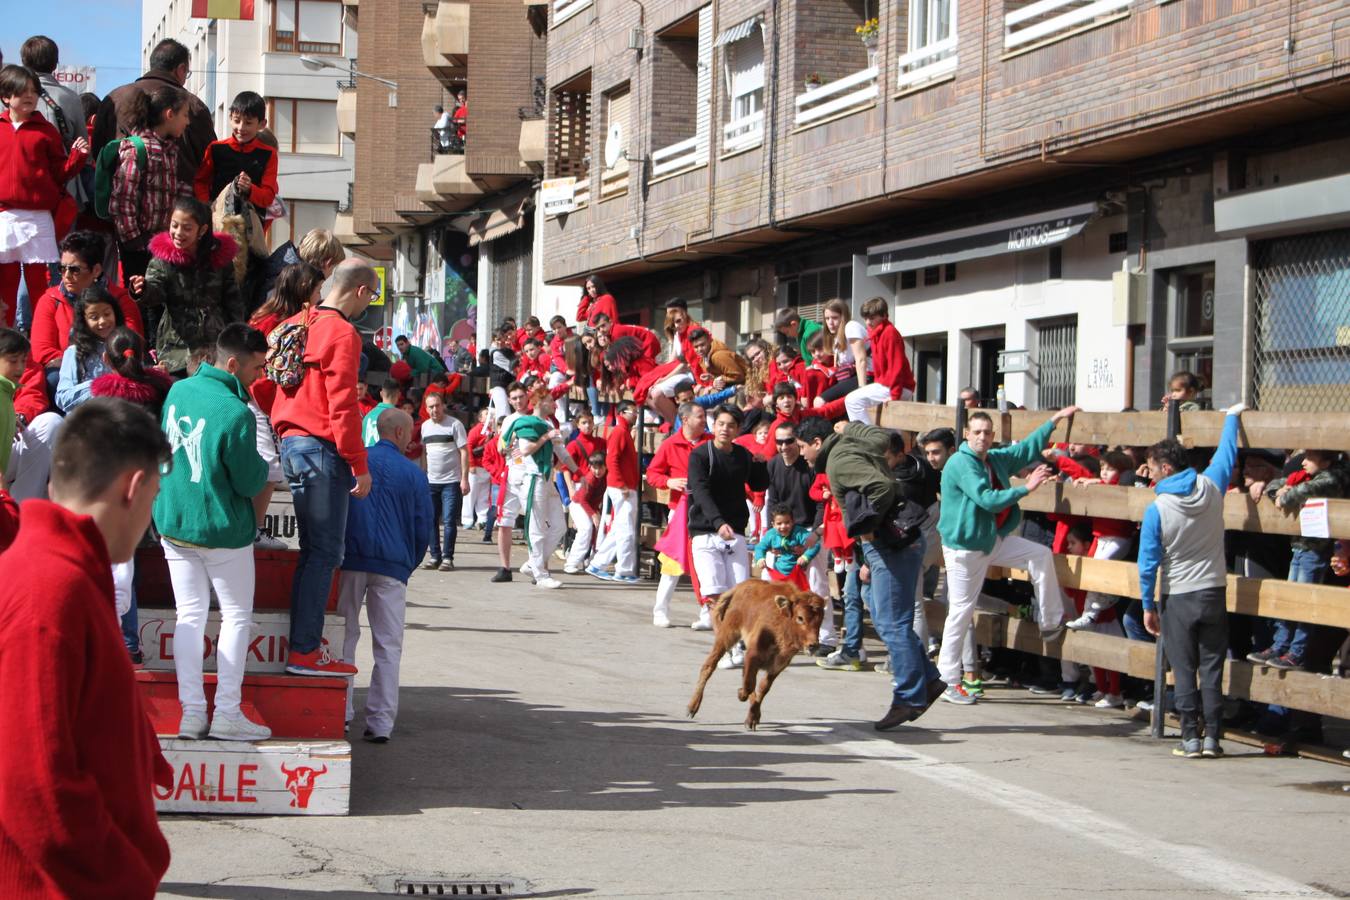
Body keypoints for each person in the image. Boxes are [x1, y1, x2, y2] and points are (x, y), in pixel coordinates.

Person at [0, 398, 172, 898]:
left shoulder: (67, 575)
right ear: (135, 487)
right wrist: (126, 878)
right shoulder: (50, 592)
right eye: (155, 494)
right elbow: (32, 787)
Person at [154, 324, 272, 741]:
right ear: (234, 364)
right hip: (222, 528)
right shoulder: (236, 412)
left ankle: (191, 713)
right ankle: (226, 712)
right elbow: (248, 481)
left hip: (174, 520)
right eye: (257, 368)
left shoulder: (179, 390)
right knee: (236, 617)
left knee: (189, 617)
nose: (260, 376)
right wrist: (261, 465)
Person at [270, 258, 381, 676]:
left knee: (314, 552)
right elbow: (343, 404)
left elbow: (270, 383)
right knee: (324, 553)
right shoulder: (343, 333)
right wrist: (359, 463)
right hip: (321, 449)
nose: (367, 305)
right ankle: (304, 651)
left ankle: (304, 647)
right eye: (370, 297)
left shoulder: (301, 320)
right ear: (360, 291)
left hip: (292, 443)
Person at [936, 406, 1081, 704]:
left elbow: (1025, 449)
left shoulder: (994, 458)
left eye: (987, 433)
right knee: (960, 612)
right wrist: (1027, 487)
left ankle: (1050, 621)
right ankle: (947, 679)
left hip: (989, 541)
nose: (983, 438)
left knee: (1039, 555)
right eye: (977, 432)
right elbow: (987, 500)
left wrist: (1053, 422)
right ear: (966, 435)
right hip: (965, 548)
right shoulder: (962, 463)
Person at [1137, 402, 1245, 759]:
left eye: (1152, 469)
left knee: (1184, 669)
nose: (1150, 475)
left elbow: (1148, 564)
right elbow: (1227, 453)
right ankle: (1213, 737)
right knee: (1212, 669)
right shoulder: (1211, 486)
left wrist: (1148, 605)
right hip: (1213, 590)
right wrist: (1232, 418)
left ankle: (1190, 739)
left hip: (1178, 596)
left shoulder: (1158, 509)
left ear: (1166, 468)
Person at [821, 420, 943, 729]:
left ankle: (908, 697)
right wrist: (850, 428)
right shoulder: (862, 443)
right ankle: (927, 681)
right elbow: (880, 435)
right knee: (887, 617)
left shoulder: (840, 461)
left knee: (892, 625)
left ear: (815, 444)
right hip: (897, 542)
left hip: (891, 544)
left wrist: (871, 529)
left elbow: (883, 488)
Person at [339, 407, 432, 743]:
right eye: (409, 433)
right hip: (392, 564)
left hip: (351, 558)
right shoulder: (413, 473)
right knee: (388, 645)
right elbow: (423, 527)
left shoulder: (356, 462)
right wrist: (408, 562)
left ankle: (342, 712)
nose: (412, 439)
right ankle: (380, 722)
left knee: (345, 637)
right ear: (398, 433)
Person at [0, 64, 89, 327]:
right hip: (5, 215)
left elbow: (61, 173)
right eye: (21, 91)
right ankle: (7, 342)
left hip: (39, 216)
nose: (29, 96)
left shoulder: (46, 131)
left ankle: (42, 339)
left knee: (40, 284)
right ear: (6, 96)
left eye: (33, 91)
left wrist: (77, 158)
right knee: (5, 283)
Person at [93, 38, 216, 204]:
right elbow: (209, 159)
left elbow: (99, 152)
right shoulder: (191, 104)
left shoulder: (114, 98)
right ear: (181, 69)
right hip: (177, 213)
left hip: (120, 204)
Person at [131, 196, 243, 375]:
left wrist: (236, 339)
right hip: (176, 350)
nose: (178, 232)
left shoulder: (219, 259)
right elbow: (155, 291)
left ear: (202, 230)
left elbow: (233, 301)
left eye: (187, 228)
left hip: (214, 346)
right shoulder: (163, 260)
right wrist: (143, 289)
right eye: (174, 225)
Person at [687, 405, 770, 641]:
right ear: (713, 427)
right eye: (721, 424)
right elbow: (700, 493)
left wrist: (760, 464)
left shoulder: (743, 455)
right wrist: (717, 522)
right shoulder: (701, 455)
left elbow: (758, 484)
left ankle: (736, 643)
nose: (725, 429)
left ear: (738, 430)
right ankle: (726, 647)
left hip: (735, 534)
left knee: (739, 595)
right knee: (715, 597)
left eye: (731, 425)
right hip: (705, 532)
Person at [30, 231, 144, 394]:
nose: (66, 276)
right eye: (62, 268)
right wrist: (80, 365)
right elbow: (42, 351)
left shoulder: (120, 299)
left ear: (96, 270)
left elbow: (131, 341)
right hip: (70, 374)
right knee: (53, 378)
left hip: (116, 371)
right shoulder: (50, 300)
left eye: (74, 269)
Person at [766, 421, 835, 649]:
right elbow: (773, 502)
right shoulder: (774, 464)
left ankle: (826, 638)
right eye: (779, 442)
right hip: (783, 531)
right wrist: (773, 536)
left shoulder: (810, 466)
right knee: (778, 587)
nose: (784, 446)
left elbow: (820, 505)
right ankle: (779, 633)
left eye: (789, 441)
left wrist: (813, 534)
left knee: (817, 587)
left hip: (808, 530)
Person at [109, 83, 191, 275]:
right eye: (185, 115)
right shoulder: (137, 148)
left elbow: (163, 188)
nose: (187, 122)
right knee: (140, 296)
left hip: (161, 241)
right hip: (139, 245)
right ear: (169, 114)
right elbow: (122, 197)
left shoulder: (169, 149)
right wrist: (133, 240)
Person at [501, 391, 576, 589]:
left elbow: (562, 452)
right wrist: (545, 437)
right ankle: (541, 575)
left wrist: (580, 474)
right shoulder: (528, 423)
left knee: (560, 526)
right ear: (539, 402)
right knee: (537, 528)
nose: (554, 404)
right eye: (550, 400)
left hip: (547, 479)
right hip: (533, 478)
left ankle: (532, 564)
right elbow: (525, 450)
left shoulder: (549, 424)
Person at [645, 401, 711, 625]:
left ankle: (707, 613)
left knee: (705, 562)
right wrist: (669, 481)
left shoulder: (711, 443)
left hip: (708, 510)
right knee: (672, 562)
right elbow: (653, 473)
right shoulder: (670, 444)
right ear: (685, 420)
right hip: (680, 510)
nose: (704, 420)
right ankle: (660, 610)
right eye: (700, 416)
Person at [20, 36, 90, 213]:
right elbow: (83, 146)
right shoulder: (71, 98)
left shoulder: (9, 99)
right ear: (55, 64)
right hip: (63, 185)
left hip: (20, 183)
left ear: (23, 62)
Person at [586, 400, 641, 583]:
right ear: (623, 412)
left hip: (622, 486)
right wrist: (621, 484)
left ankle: (598, 564)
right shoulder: (619, 432)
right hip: (622, 487)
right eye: (633, 411)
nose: (636, 414)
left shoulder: (622, 432)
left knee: (619, 529)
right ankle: (624, 570)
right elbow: (612, 460)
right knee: (626, 530)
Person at [843, 296, 916, 423]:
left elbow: (896, 366)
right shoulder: (876, 334)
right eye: (865, 318)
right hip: (888, 385)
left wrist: (894, 395)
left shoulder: (890, 333)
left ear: (883, 316)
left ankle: (867, 438)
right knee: (888, 429)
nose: (867, 322)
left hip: (897, 386)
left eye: (871, 318)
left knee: (852, 401)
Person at [420, 391, 469, 572]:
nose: (435, 410)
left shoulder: (455, 425)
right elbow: (424, 452)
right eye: (431, 407)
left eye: (437, 405)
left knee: (448, 520)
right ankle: (434, 556)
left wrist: (464, 478)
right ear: (426, 409)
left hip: (451, 481)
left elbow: (464, 451)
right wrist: (423, 475)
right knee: (431, 519)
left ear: (443, 406)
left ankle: (448, 557)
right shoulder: (425, 427)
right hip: (431, 481)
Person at [55, 287, 123, 412]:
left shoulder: (126, 343)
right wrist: (101, 386)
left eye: (107, 314)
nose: (102, 321)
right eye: (94, 317)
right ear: (84, 321)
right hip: (87, 421)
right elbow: (63, 398)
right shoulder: (75, 352)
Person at [563, 450, 608, 576]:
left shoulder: (605, 477)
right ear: (590, 467)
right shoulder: (590, 479)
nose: (597, 471)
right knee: (586, 528)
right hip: (578, 504)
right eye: (594, 468)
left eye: (600, 468)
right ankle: (571, 563)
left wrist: (595, 513)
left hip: (590, 506)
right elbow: (582, 499)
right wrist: (594, 515)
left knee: (597, 530)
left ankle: (590, 560)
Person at [462, 406, 495, 530]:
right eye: (487, 414)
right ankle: (467, 519)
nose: (490, 416)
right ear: (481, 418)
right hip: (476, 466)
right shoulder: (476, 430)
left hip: (486, 467)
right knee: (470, 494)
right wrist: (471, 464)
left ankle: (482, 519)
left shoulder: (493, 431)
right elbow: (468, 446)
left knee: (484, 495)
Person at [363, 378, 401, 447]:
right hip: (387, 456)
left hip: (368, 455)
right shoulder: (399, 417)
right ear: (398, 394)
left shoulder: (368, 415)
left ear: (381, 393)